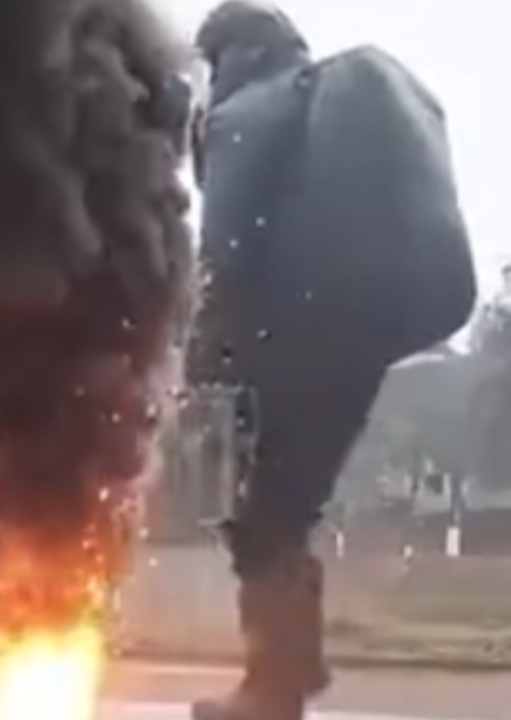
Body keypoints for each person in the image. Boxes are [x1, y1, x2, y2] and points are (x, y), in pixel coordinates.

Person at [188, 3, 476, 720]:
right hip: (387, 316)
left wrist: (203, 367)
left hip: (315, 315)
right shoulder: (314, 99)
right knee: (291, 500)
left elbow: (223, 253)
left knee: (256, 510)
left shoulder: (244, 112)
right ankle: (290, 673)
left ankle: (273, 686)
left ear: (226, 57)